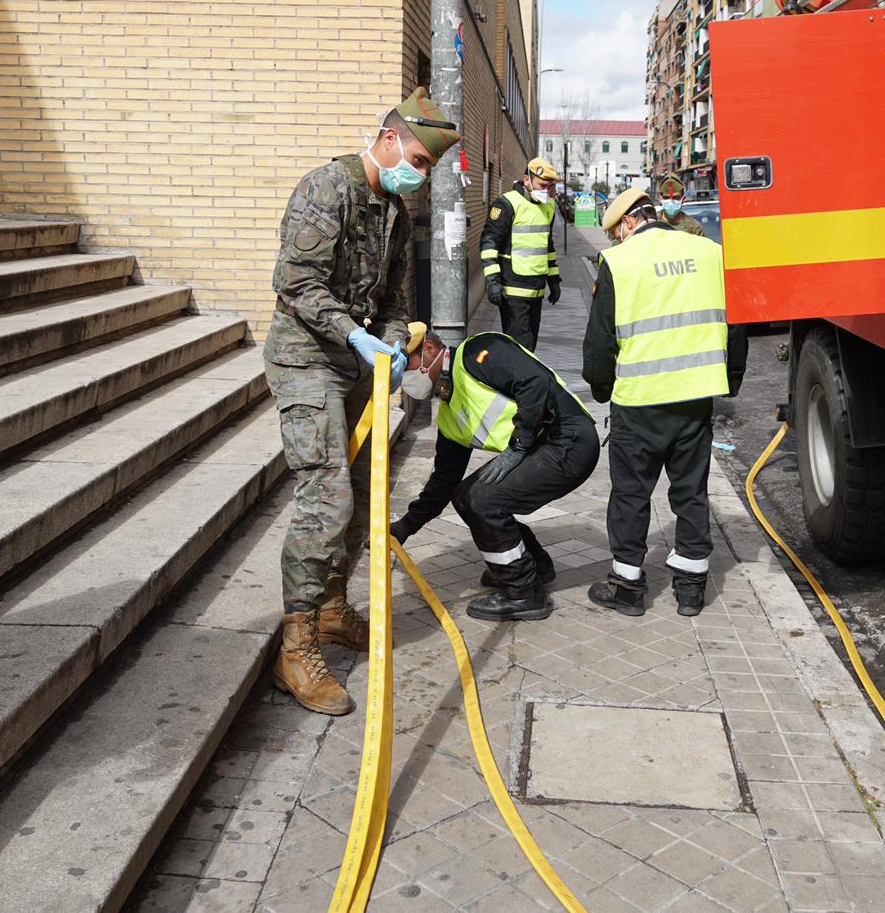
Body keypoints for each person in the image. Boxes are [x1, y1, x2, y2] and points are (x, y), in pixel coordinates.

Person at [265, 87, 459, 715]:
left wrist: (396, 343)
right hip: (306, 358)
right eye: (420, 162)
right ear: (388, 139)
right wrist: (353, 333)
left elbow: (399, 303)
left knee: (360, 491)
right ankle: (296, 644)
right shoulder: (328, 189)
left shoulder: (397, 214)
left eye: (428, 169)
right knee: (327, 493)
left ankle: (330, 608)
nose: (420, 177)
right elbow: (295, 282)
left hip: (357, 366)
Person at [581, 188, 746, 618]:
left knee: (631, 495)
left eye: (618, 233)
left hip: (638, 403)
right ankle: (691, 590)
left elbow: (600, 342)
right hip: (694, 399)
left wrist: (601, 389)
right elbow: (736, 323)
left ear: (629, 223)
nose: (618, 241)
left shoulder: (619, 262)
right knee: (690, 492)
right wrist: (729, 380)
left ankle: (628, 588)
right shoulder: (710, 252)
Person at [391, 324, 599, 621]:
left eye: (407, 366)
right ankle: (533, 566)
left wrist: (518, 445)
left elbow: (534, 382)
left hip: (569, 440)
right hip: (545, 447)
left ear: (430, 350)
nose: (405, 378)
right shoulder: (450, 413)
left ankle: (524, 592)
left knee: (482, 499)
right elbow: (443, 482)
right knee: (464, 496)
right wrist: (405, 527)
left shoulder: (477, 351)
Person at [481, 157, 562, 350]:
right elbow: (488, 243)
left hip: (537, 291)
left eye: (550, 187)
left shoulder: (548, 206)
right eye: (542, 185)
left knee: (530, 346)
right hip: (513, 292)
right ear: (527, 180)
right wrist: (492, 281)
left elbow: (546, 246)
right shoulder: (507, 204)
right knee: (519, 348)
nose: (546, 191)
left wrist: (554, 280)